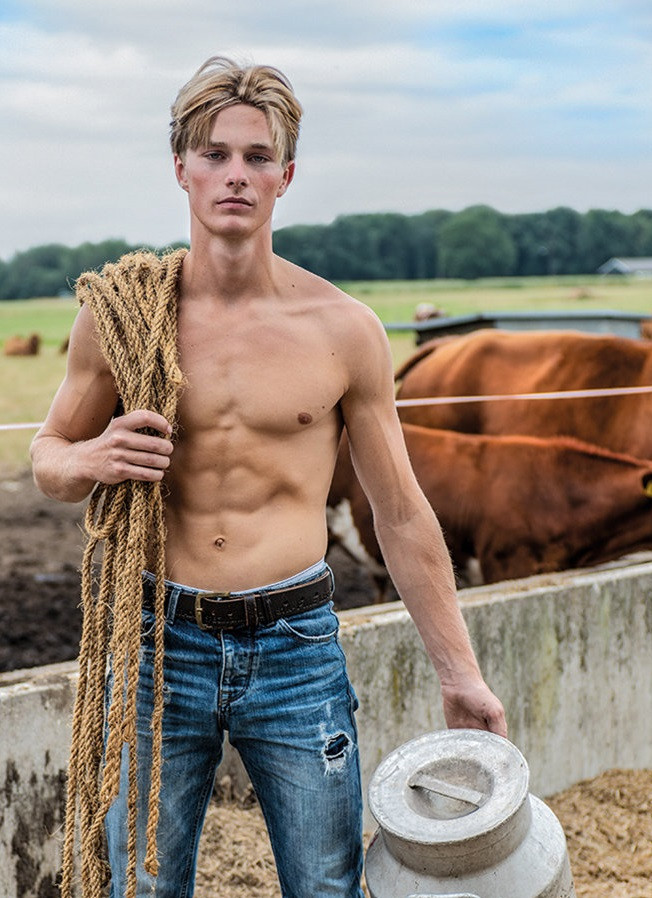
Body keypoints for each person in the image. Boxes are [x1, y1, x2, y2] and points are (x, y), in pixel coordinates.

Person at [30, 56, 506, 898]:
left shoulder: (344, 330)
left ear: (287, 176)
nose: (235, 175)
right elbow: (48, 458)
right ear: (181, 167)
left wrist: (459, 672)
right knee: (138, 888)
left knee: (325, 888)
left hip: (295, 647)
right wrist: (91, 457)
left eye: (257, 157)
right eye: (214, 154)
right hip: (153, 641)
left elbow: (398, 513)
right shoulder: (120, 318)